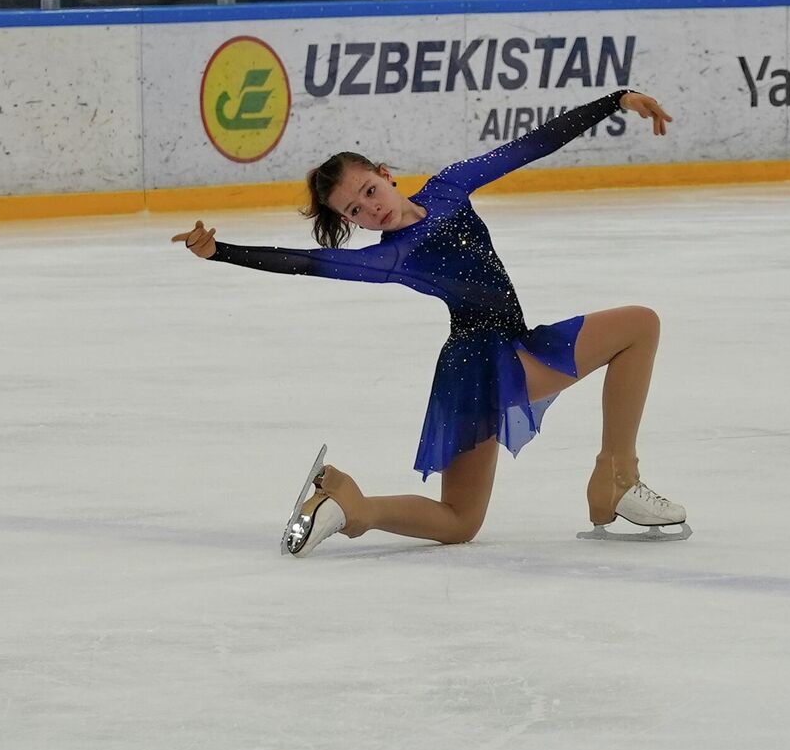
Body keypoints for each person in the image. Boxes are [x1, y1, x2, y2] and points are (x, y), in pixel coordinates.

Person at [172, 89, 689, 555]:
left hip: (481, 363)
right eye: (355, 210)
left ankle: (351, 506)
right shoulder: (391, 256)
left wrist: (614, 101)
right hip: (492, 360)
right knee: (639, 326)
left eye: (370, 191)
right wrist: (221, 252)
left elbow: (529, 146)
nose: (369, 209)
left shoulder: (449, 187)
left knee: (459, 522)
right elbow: (307, 263)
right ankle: (617, 479)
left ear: (385, 173)